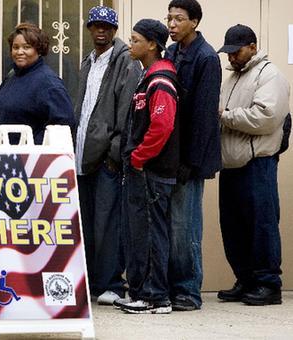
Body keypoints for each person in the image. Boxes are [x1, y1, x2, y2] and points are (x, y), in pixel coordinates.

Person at [217, 24, 290, 306]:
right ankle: (246, 280)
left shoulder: (270, 75)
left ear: (252, 47)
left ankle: (268, 284)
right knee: (234, 226)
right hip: (232, 164)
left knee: (262, 225)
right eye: (228, 53)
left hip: (257, 163)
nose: (231, 57)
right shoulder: (235, 77)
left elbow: (266, 117)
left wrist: (225, 115)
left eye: (236, 52)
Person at [75, 5, 141, 305]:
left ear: (114, 31)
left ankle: (113, 284)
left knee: (109, 224)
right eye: (95, 25)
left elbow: (127, 112)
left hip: (107, 159)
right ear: (89, 28)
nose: (101, 30)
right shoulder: (87, 62)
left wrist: (115, 153)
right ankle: (93, 282)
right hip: (82, 157)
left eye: (107, 26)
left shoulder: (126, 61)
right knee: (87, 224)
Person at [116, 19, 180, 314]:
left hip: (152, 172)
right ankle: (140, 291)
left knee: (153, 232)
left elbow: (162, 126)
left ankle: (157, 297)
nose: (131, 44)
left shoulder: (161, 80)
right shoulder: (148, 76)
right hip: (142, 172)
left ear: (153, 44)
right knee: (139, 232)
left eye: (136, 39)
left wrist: (139, 157)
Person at [164, 0, 222, 311]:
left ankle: (188, 291)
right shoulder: (171, 53)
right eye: (169, 18)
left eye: (179, 19)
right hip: (170, 156)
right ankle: (171, 287)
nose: (172, 25)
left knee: (185, 227)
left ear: (195, 22)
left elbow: (203, 117)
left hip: (190, 159)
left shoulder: (206, 57)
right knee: (171, 225)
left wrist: (191, 162)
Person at [0, 23, 74, 145]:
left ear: (39, 49)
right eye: (15, 47)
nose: (19, 52)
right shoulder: (11, 77)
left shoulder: (49, 83)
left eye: (26, 47)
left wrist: (31, 148)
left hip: (28, 161)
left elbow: (62, 126)